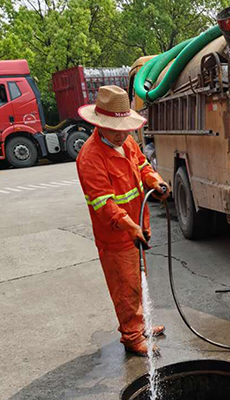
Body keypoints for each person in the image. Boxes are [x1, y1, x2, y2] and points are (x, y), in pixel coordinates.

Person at [76, 85, 170, 356]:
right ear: (100, 125)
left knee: (139, 279)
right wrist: (130, 226)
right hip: (117, 236)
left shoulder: (125, 141)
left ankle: (141, 325)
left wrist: (157, 182)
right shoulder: (90, 158)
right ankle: (131, 336)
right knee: (124, 285)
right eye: (116, 129)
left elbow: (142, 165)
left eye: (125, 128)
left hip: (138, 228)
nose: (123, 134)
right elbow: (103, 203)